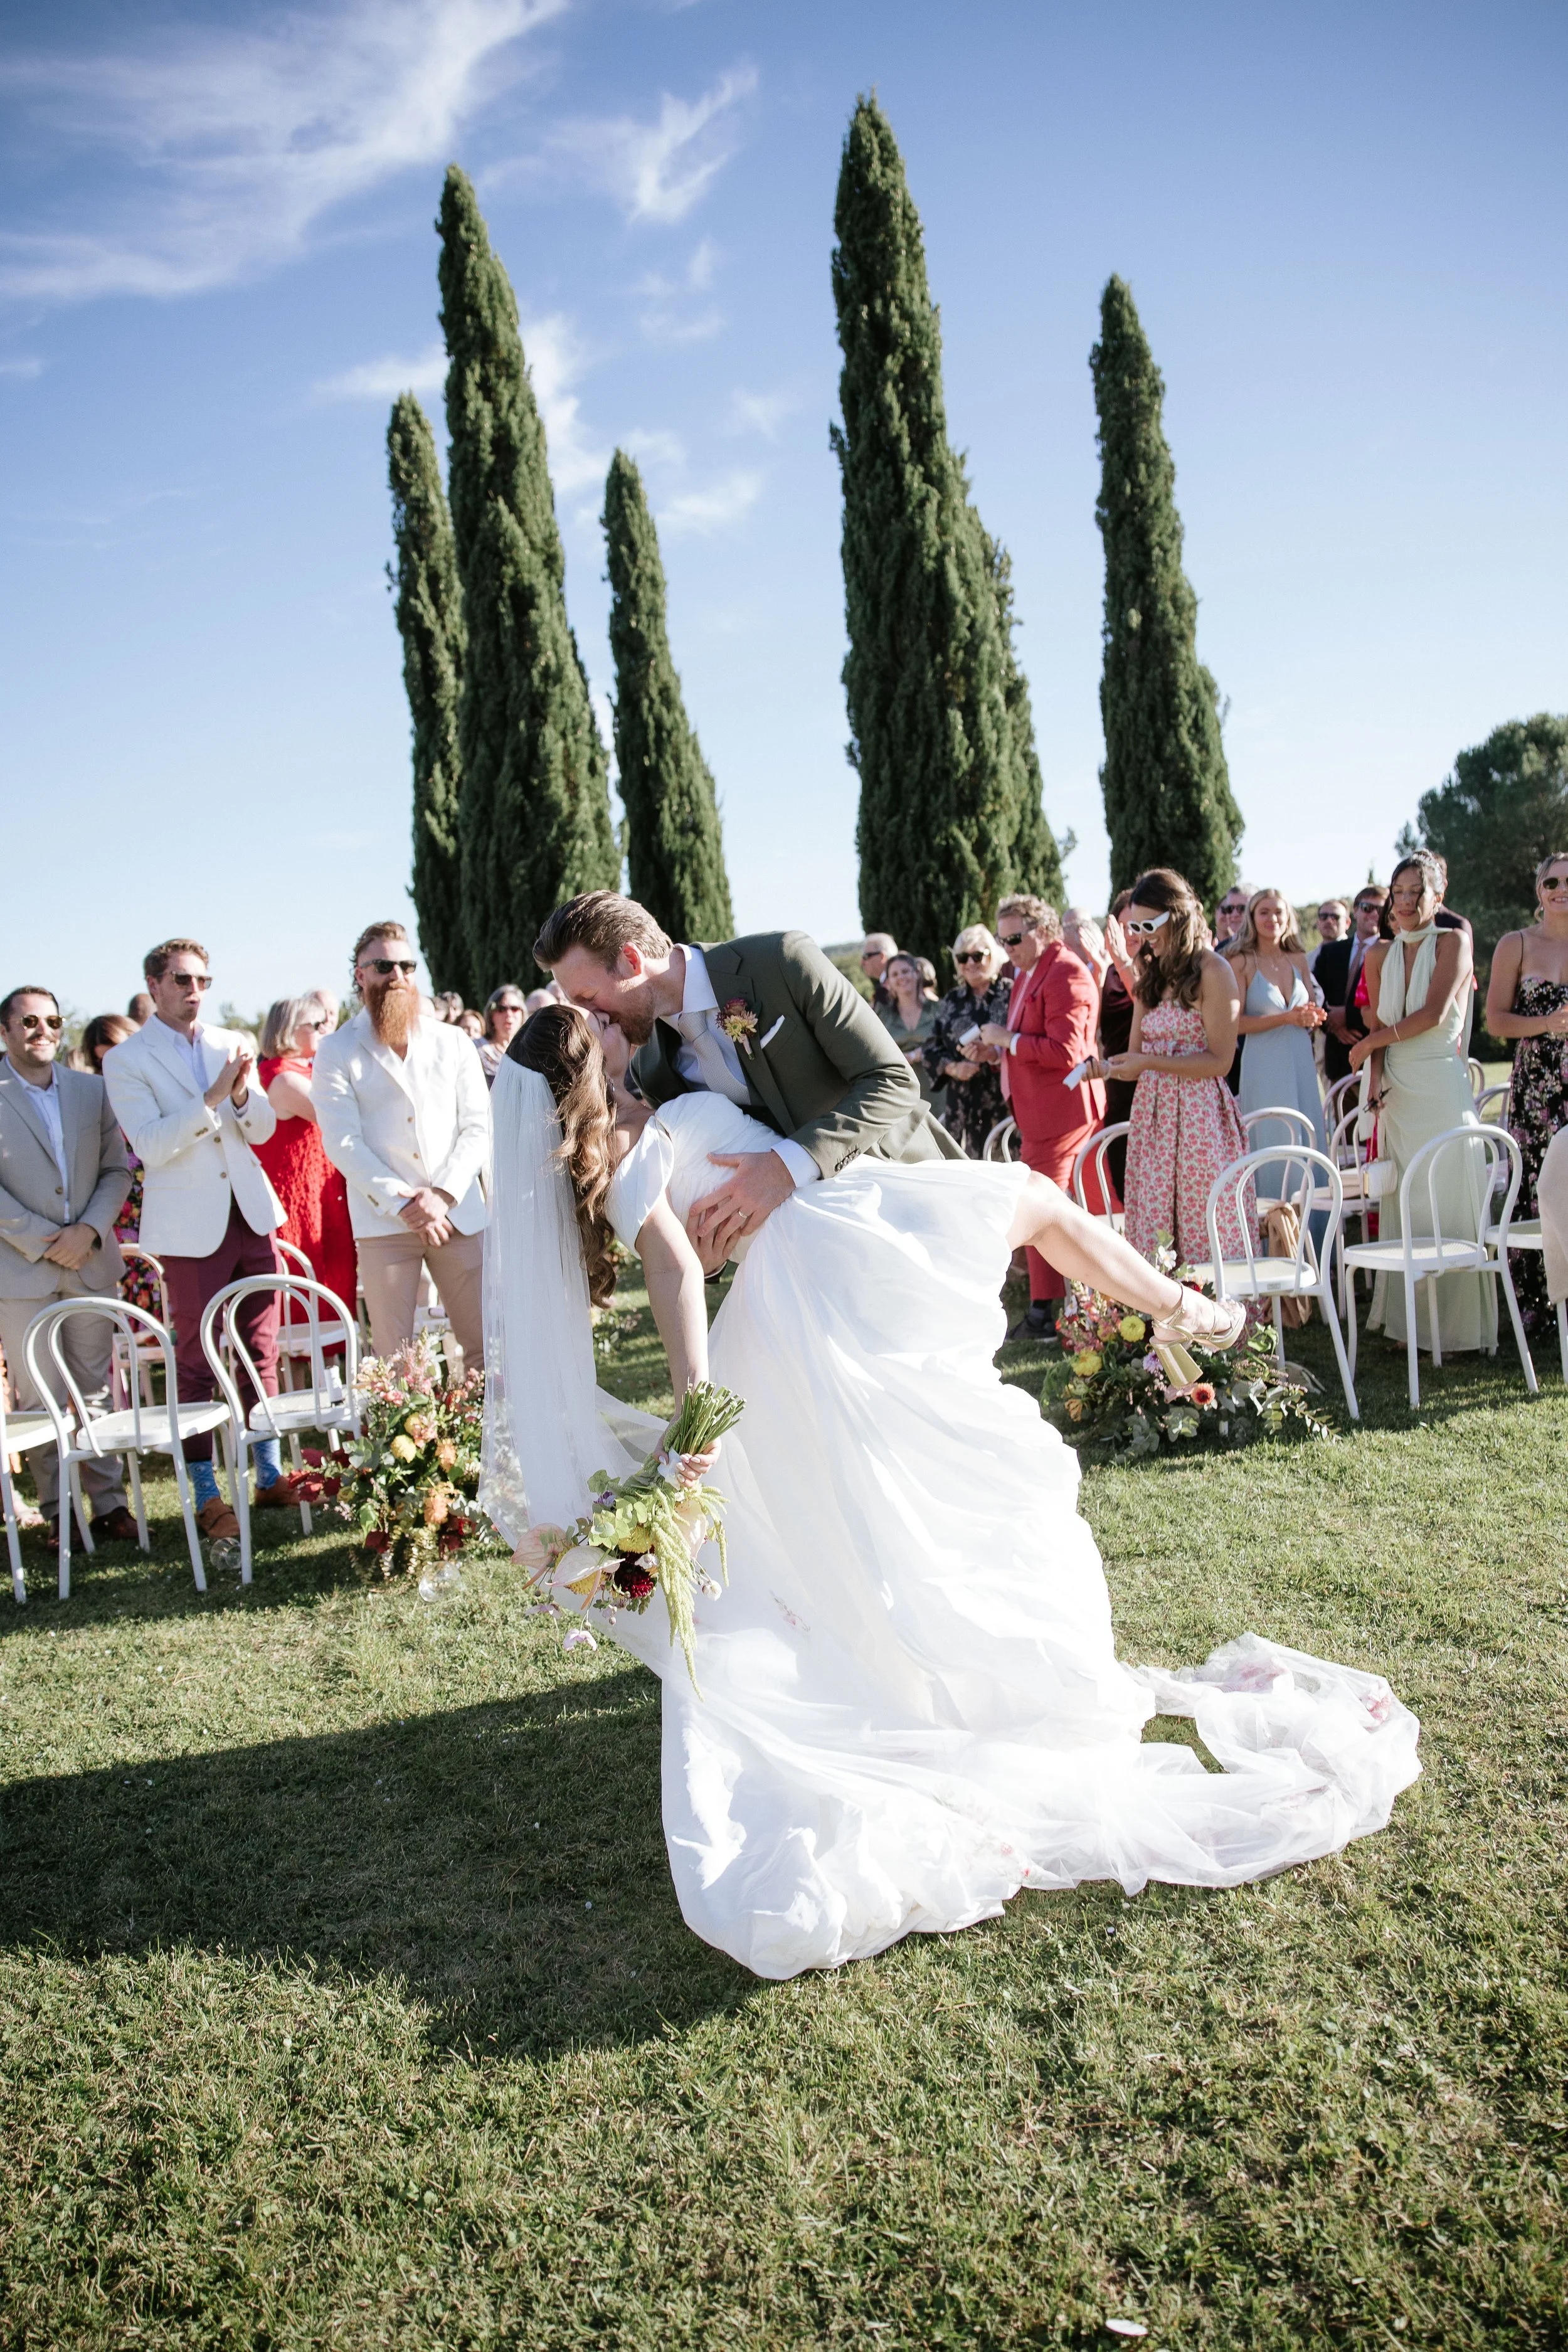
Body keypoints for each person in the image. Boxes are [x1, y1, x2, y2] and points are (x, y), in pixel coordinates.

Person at [480, 1004, 1416, 1982]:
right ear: (592, 1060)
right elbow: (679, 1267)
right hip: (826, 1262)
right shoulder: (637, 1155)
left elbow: (701, 1244)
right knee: (1026, 1220)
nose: (614, 1021)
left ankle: (1182, 1317)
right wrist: (695, 1408)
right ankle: (1188, 1310)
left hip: (818, 1258)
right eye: (596, 1022)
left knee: (915, 1460)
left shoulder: (647, 1119)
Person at [534, 894, 961, 1273]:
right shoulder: (651, 1068)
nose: (590, 1017)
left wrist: (785, 1166)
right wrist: (707, 1261)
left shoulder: (780, 961)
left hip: (909, 1190)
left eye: (587, 997)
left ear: (631, 960)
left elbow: (892, 1080)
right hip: (824, 1257)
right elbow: (709, 1177)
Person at [102, 940, 291, 1538]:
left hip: (251, 1213)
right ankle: (206, 1493)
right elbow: (151, 1146)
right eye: (183, 979)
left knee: (262, 1349)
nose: (195, 990)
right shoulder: (126, 1060)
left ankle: (269, 1474)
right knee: (194, 1361)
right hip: (187, 1228)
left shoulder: (231, 1041)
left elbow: (263, 1128)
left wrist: (241, 1094)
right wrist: (211, 1098)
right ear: (154, 985)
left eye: (203, 980)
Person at [312, 923, 490, 1367]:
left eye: (407, 966)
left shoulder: (453, 1041)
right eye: (384, 966)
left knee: (486, 1349)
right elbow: (342, 1141)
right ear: (360, 975)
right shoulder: (336, 1050)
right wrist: (406, 1203)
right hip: (384, 1222)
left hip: (457, 1213)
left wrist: (442, 1195)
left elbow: (478, 1126)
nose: (398, 975)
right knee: (395, 1363)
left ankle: (487, 1417)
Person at [0, 986, 137, 1545]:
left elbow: (117, 1171)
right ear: (5, 1031)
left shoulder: (91, 1090)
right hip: (20, 1267)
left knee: (95, 1390)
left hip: (90, 1260)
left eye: (53, 1021)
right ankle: (60, 1513)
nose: (43, 1031)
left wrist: (88, 1232)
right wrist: (42, 1239)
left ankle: (109, 1505)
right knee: (37, 1399)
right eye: (29, 1022)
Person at [1348, 851, 1491, 1355]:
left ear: (1438, 895)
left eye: (1416, 892)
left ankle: (1454, 1331)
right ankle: (1409, 1326)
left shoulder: (1455, 942)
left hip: (1440, 1084)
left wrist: (1370, 1043)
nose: (1405, 902)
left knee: (1446, 1199)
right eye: (1399, 893)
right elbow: (1378, 1026)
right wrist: (1374, 1081)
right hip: (1398, 1090)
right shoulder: (1378, 954)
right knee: (1405, 1203)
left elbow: (1432, 1014)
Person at [1090, 868, 1254, 1272]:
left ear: (1177, 917)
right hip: (1154, 1119)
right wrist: (1106, 1069)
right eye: (1136, 927)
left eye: (1149, 925)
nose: (1143, 936)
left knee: (1203, 1224)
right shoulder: (1152, 973)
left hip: (1200, 1116)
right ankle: (1157, 1309)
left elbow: (1220, 1061)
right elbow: (1136, 1058)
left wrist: (1149, 1064)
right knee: (1154, 1225)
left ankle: (1215, 1310)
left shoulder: (1214, 970)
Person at [975, 898, 1103, 1340]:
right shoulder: (1028, 972)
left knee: (1040, 1208)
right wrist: (996, 1051)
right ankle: (1060, 1308)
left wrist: (1008, 1040)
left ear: (1044, 931)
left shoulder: (1066, 972)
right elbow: (1027, 1040)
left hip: (1063, 1115)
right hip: (1041, 1114)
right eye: (1002, 940)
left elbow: (1066, 1052)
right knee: (1049, 1207)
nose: (1006, 948)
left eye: (1014, 938)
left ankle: (1044, 1313)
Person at [1485, 852, 1568, 1327]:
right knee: (1538, 1181)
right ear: (1539, 890)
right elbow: (1496, 1021)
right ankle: (1539, 1302)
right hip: (1537, 1087)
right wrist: (1546, 1024)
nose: (1561, 889)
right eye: (1552, 882)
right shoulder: (1515, 944)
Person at [255, 996, 358, 1322]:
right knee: (307, 1284)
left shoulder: (307, 1070)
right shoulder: (282, 1076)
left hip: (321, 1189)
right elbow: (338, 1114)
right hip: (297, 1197)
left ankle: (333, 1351)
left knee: (332, 1278)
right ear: (289, 1029)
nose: (326, 1030)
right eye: (316, 1025)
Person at [1227, 888, 1328, 1193]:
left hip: (1300, 1060)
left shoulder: (1299, 958)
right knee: (1273, 1136)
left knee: (1308, 1134)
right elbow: (1235, 1025)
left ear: (1288, 918)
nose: (1272, 918)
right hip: (1263, 1064)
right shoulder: (1241, 962)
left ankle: (1314, 1219)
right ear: (1252, 918)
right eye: (1264, 912)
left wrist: (1312, 1017)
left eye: (1278, 912)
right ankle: (1273, 1218)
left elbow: (1308, 1007)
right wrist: (1287, 1018)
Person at [924, 926, 1012, 1158]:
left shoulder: (1010, 993)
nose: (970, 963)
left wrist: (994, 1054)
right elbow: (930, 1050)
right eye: (963, 957)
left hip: (1004, 1102)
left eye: (977, 956)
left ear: (992, 956)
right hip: (962, 1105)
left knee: (1007, 1170)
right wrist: (953, 1068)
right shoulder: (952, 1000)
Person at [1095, 893, 1142, 1199]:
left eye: (1138, 926)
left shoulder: (1160, 970)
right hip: (1117, 1085)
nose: (1131, 934)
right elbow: (1096, 1029)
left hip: (1151, 1081)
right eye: (1124, 927)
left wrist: (1125, 963)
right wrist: (1098, 971)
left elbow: (1147, 1004)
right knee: (1123, 1181)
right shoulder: (1109, 972)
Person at [1318, 887, 1385, 1091]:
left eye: (1381, 910)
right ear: (1355, 911)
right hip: (1337, 1057)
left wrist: (1348, 1016)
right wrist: (1333, 1024)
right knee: (1340, 1111)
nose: (1374, 914)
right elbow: (1315, 994)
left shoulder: (1391, 952)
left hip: (1375, 1055)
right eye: (1367, 908)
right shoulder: (1331, 952)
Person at [876, 951, 944, 1114]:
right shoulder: (883, 1015)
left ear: (917, 974)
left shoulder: (938, 1009)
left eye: (905, 971)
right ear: (889, 982)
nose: (901, 977)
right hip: (902, 1092)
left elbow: (949, 1044)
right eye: (895, 974)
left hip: (939, 1087)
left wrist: (924, 1053)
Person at [477, 986, 527, 1084]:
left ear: (523, 1014)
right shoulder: (477, 1048)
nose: (509, 1014)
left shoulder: (529, 1050)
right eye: (501, 1009)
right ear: (491, 1015)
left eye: (515, 1009)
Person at [859, 933, 898, 1013]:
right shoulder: (891, 983)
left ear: (882, 956)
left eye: (866, 956)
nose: (862, 962)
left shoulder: (894, 985)